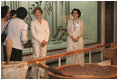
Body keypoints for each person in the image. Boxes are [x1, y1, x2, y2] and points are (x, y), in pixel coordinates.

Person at [30, 7, 50, 79]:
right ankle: (34, 74)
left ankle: (41, 73)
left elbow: (48, 32)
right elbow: (33, 34)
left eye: (38, 12)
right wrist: (42, 40)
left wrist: (45, 41)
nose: (37, 14)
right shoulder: (33, 22)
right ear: (34, 14)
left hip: (44, 42)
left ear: (41, 13)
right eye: (35, 12)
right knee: (36, 57)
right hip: (36, 42)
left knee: (43, 57)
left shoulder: (45, 22)